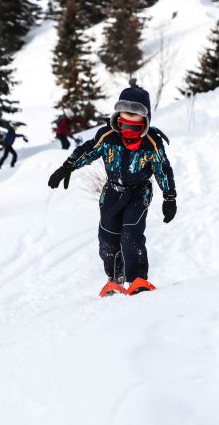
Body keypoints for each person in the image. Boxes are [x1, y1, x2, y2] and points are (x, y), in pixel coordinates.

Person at [48, 84, 177, 296]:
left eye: (136, 114)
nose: (130, 118)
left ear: (145, 118)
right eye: (126, 111)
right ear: (118, 112)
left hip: (138, 193)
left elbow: (163, 169)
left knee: (130, 235)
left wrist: (169, 197)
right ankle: (114, 280)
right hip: (112, 193)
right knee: (107, 237)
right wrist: (68, 166)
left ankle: (137, 280)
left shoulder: (151, 143)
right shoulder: (108, 135)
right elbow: (88, 150)